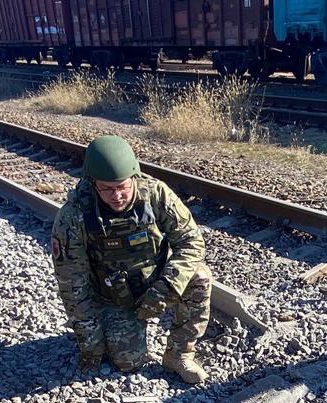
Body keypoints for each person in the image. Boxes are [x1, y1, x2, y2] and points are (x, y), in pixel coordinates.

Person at [51, 135, 212, 384]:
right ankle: (116, 329)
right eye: (107, 188)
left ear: (134, 178)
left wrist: (168, 286)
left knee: (199, 277)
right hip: (113, 296)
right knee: (127, 363)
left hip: (156, 283)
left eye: (122, 187)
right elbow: (72, 282)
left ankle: (179, 354)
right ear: (92, 183)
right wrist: (88, 340)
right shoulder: (74, 216)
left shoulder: (156, 194)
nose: (116, 196)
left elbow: (191, 241)